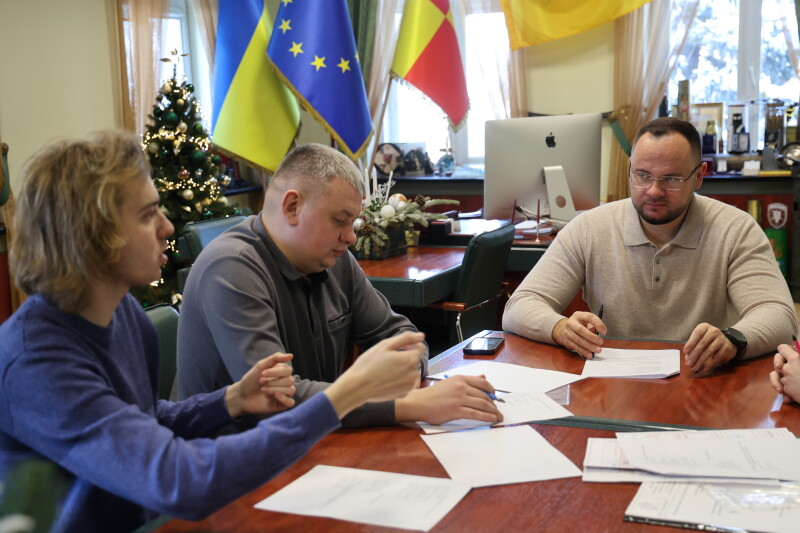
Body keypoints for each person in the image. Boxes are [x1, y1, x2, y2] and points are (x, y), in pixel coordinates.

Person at [0, 131, 427, 532]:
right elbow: (179, 480)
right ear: (91, 235)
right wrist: (346, 394)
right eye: (148, 214)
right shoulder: (38, 362)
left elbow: (144, 418)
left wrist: (231, 399)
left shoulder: (123, 312)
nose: (168, 227)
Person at [177, 143, 502, 428]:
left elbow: (399, 333)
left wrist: (408, 365)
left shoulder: (334, 259)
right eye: (339, 220)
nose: (351, 237)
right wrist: (408, 405)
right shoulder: (231, 268)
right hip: (234, 463)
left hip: (313, 440)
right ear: (292, 207)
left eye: (353, 222)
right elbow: (277, 400)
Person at [503, 117, 797, 375]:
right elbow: (520, 305)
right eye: (642, 175)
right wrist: (560, 329)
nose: (654, 191)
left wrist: (733, 340)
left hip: (706, 379)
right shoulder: (589, 228)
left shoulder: (736, 229)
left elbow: (779, 315)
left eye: (671, 179)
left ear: (699, 176)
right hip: (615, 382)